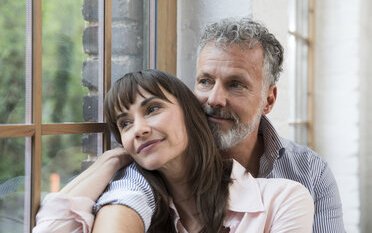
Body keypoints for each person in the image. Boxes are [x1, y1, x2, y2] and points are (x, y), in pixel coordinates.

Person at [93, 18, 344, 233]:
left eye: (235, 84)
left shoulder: (309, 172)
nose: (214, 98)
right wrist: (110, 163)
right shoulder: (160, 161)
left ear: (269, 99)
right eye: (205, 81)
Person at [34, 70, 314, 233]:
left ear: (190, 114)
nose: (138, 130)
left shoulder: (283, 199)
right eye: (125, 124)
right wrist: (111, 160)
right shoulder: (131, 199)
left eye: (153, 109)